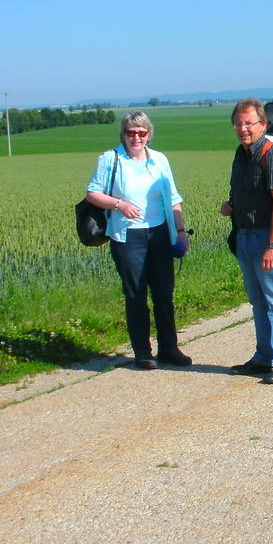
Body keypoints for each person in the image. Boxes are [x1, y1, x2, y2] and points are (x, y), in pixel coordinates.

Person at [85, 111, 192, 370]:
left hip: (160, 233)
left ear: (148, 134)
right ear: (123, 134)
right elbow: (92, 193)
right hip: (127, 236)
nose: (136, 137)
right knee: (136, 294)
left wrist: (180, 231)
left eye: (141, 133)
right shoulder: (110, 159)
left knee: (164, 294)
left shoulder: (159, 160)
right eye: (131, 132)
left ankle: (169, 349)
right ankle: (142, 352)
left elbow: (174, 197)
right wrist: (119, 204)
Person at [221, 98, 273, 385]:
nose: (243, 128)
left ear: (263, 125)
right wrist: (231, 205)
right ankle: (264, 358)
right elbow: (246, 192)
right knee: (258, 302)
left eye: (249, 123)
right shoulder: (241, 154)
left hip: (267, 238)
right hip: (244, 235)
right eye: (238, 123)